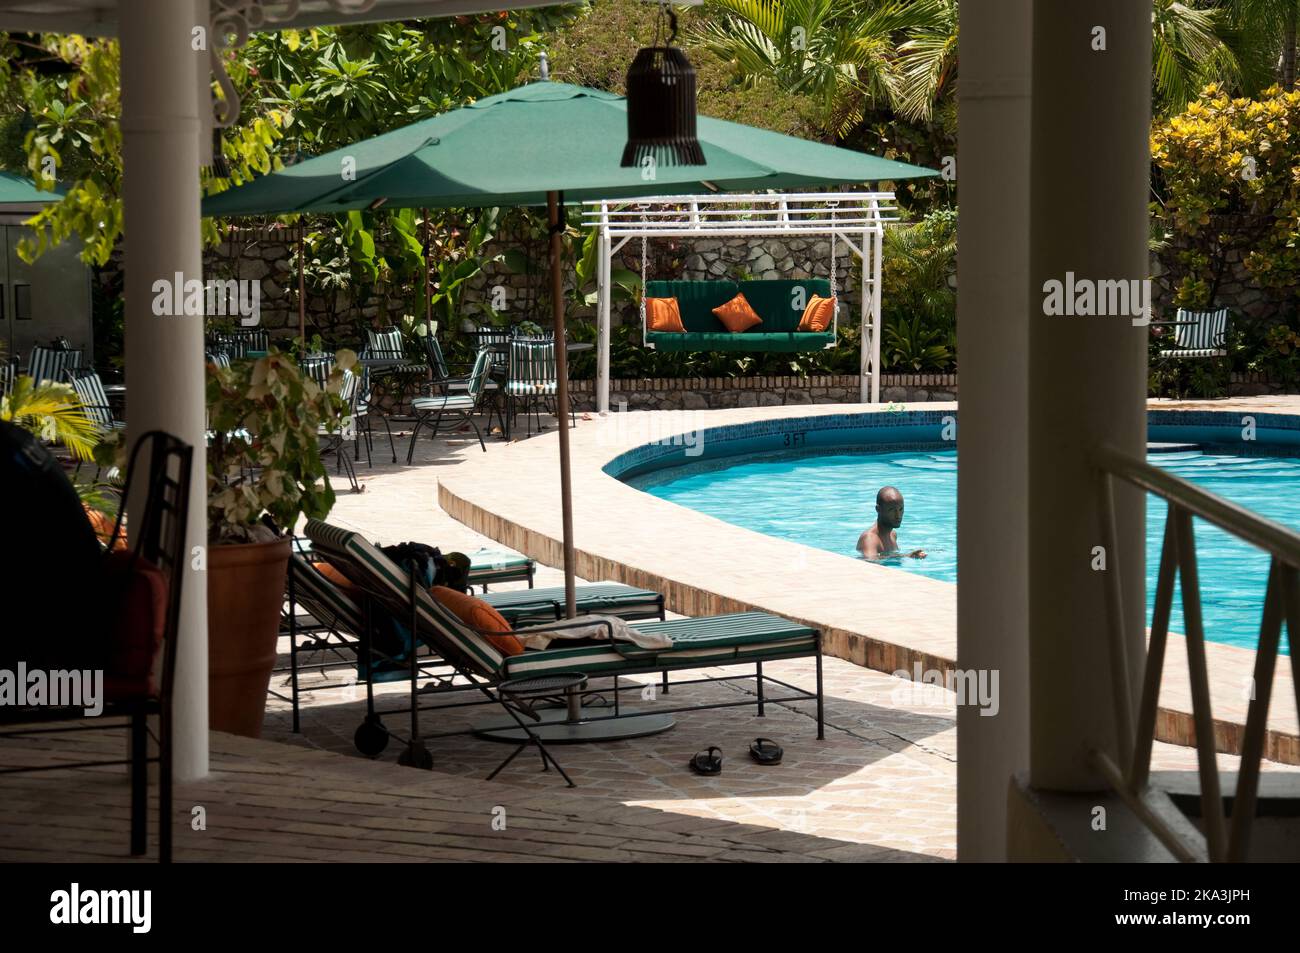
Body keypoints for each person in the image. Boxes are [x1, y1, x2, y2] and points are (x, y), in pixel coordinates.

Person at [857, 485, 926, 560]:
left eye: (901, 509)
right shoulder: (870, 538)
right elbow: (870, 563)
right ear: (878, 509)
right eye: (892, 510)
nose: (898, 515)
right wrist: (906, 556)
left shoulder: (893, 535)